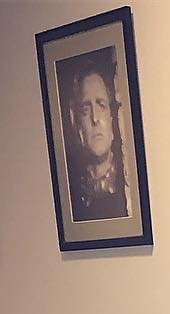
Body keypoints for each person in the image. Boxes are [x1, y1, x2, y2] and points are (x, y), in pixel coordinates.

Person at [64, 54, 128, 222]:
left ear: (112, 117)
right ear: (77, 123)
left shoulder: (127, 183)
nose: (95, 118)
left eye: (101, 106)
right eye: (86, 110)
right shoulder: (71, 191)